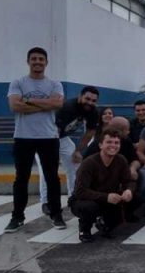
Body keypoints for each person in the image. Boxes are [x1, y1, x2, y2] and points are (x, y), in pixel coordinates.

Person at [5, 47, 65, 232]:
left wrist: (28, 102)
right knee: (21, 179)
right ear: (28, 61)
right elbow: (15, 105)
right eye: (34, 59)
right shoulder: (18, 82)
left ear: (46, 62)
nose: (37, 62)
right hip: (23, 137)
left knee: (52, 178)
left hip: (48, 137)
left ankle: (56, 214)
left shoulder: (55, 84)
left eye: (41, 59)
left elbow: (58, 104)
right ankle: (17, 217)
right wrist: (44, 104)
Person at [36, 85, 100, 215]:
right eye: (87, 99)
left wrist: (77, 151)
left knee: (75, 164)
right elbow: (54, 131)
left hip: (62, 138)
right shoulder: (67, 107)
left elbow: (90, 132)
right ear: (80, 96)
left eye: (94, 100)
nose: (90, 102)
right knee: (47, 170)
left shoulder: (92, 111)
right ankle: (46, 202)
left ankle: (74, 197)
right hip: (43, 138)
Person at [70, 127, 135, 242]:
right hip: (85, 200)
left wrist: (128, 190)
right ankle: (84, 228)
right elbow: (80, 191)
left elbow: (128, 181)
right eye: (109, 142)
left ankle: (103, 222)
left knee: (135, 198)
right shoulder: (89, 163)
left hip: (109, 199)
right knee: (89, 207)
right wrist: (106, 197)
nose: (113, 145)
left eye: (116, 143)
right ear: (100, 145)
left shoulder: (121, 160)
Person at [83, 116, 140, 183]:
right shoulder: (95, 145)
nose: (129, 132)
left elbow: (135, 160)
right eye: (127, 130)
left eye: (116, 143)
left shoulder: (126, 141)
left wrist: (132, 168)